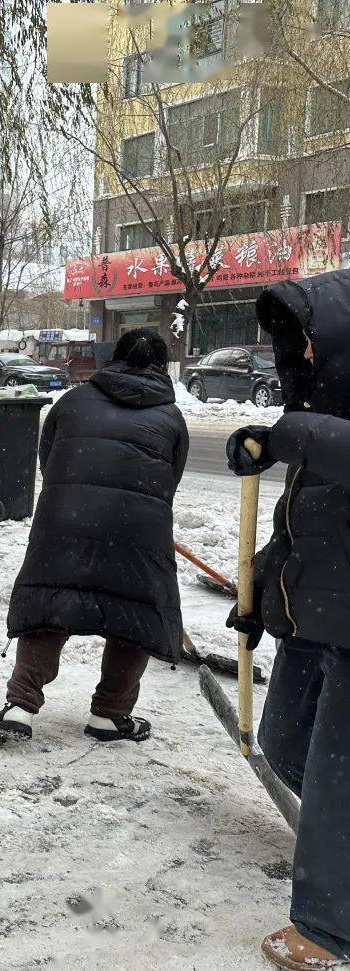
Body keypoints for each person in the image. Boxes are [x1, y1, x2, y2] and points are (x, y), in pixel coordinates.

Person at [225, 268, 350, 970]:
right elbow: (299, 531)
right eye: (291, 343)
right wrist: (259, 603)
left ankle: (330, 930)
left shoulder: (317, 421)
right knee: (284, 742)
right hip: (321, 616)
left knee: (339, 778)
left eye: (307, 341)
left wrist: (291, 434)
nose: (299, 356)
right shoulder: (322, 405)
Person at [0, 328, 189, 742]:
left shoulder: (73, 401)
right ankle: (110, 715)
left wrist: (77, 498)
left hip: (66, 518)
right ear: (161, 366)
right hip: (138, 528)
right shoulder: (170, 417)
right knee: (134, 613)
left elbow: (50, 461)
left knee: (50, 601)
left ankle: (20, 706)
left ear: (112, 358)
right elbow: (170, 481)